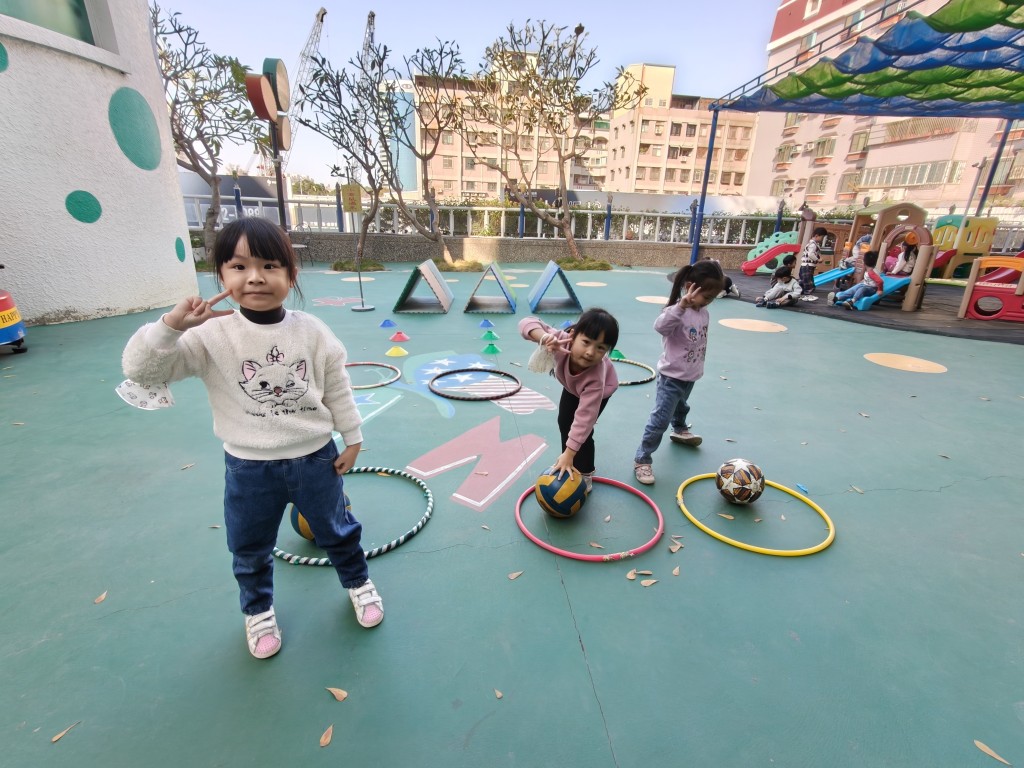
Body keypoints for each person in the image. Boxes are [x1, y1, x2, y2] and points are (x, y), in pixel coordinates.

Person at [122, 218, 382, 661]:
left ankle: (358, 583)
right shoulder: (209, 335)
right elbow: (143, 371)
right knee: (249, 546)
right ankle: (258, 610)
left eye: (269, 266)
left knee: (338, 530)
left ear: (290, 275)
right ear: (221, 276)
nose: (255, 277)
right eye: (239, 266)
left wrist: (352, 437)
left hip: (315, 459)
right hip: (248, 469)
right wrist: (170, 326)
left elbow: (337, 386)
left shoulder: (312, 330)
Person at [633, 261, 725, 486]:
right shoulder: (675, 312)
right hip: (671, 377)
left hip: (690, 374)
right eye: (707, 297)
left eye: (713, 298)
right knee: (660, 419)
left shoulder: (703, 312)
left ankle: (680, 429)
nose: (709, 302)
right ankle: (642, 458)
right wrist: (681, 306)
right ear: (689, 287)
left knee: (682, 405)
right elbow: (660, 327)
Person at [519, 308, 619, 494]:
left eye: (601, 348)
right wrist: (545, 338)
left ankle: (585, 471)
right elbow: (526, 323)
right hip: (572, 386)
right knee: (564, 422)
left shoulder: (596, 378)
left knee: (582, 430)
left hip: (600, 391)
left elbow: (584, 420)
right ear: (572, 336)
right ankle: (567, 462)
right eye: (586, 342)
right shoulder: (561, 340)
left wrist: (570, 453)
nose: (590, 352)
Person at [799, 226, 828, 296]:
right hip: (807, 265)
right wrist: (817, 260)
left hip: (806, 265)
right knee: (807, 279)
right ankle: (807, 292)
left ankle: (802, 290)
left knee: (805, 278)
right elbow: (810, 254)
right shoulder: (813, 245)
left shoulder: (812, 244)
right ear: (816, 236)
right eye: (822, 237)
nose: (822, 239)